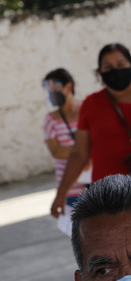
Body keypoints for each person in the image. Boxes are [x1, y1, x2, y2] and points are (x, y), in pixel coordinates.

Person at [50, 43, 131, 219]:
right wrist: (61, 194)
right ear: (100, 73)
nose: (115, 71)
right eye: (108, 67)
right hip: (109, 204)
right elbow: (79, 154)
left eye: (121, 65)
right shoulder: (91, 104)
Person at [42, 68, 92, 236]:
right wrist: (84, 150)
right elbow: (56, 151)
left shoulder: (88, 109)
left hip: (96, 183)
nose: (51, 94)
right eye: (49, 91)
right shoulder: (50, 120)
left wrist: (76, 151)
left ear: (68, 87)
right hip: (70, 189)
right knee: (83, 238)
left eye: (55, 89)